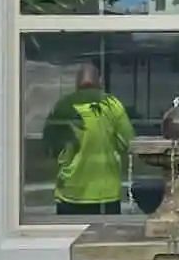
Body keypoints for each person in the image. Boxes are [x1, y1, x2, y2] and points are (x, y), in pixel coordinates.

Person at [42, 61, 133, 218]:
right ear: (100, 81)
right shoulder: (112, 105)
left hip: (69, 192)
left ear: (77, 82)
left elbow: (49, 147)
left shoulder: (62, 106)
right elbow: (128, 142)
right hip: (106, 193)